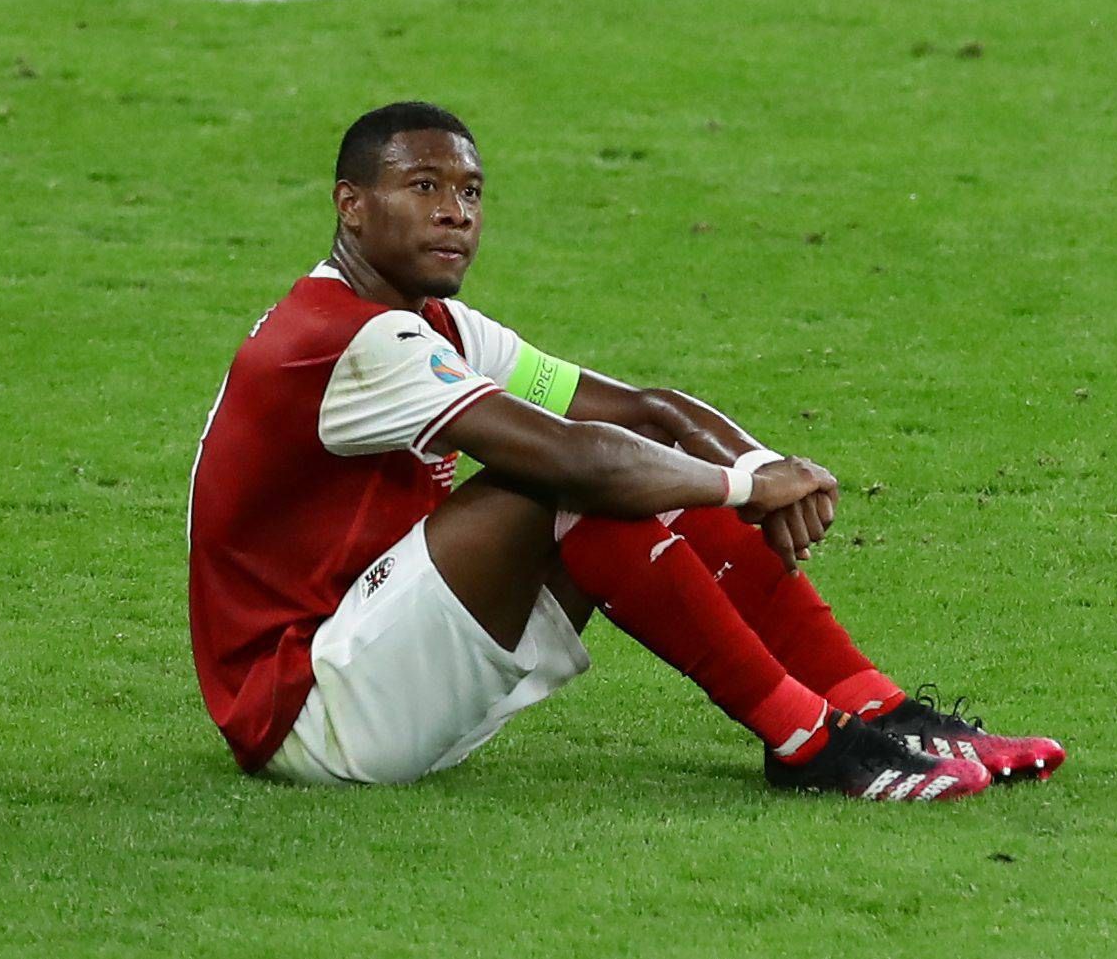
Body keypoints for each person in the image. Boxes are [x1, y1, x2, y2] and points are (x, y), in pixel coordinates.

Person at [187, 101, 1065, 802]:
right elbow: (579, 462)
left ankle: (877, 709)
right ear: (351, 204)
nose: (456, 212)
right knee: (564, 481)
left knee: (615, 460)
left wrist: (760, 466)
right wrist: (738, 489)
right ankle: (810, 743)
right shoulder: (349, 339)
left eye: (471, 192)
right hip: (310, 715)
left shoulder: (432, 322)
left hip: (380, 664)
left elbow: (649, 409)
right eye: (424, 187)